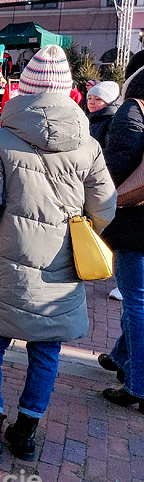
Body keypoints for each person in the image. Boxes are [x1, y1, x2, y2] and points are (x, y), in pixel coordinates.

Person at [0, 45, 116, 460]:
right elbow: (105, 205)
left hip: (6, 259)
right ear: (68, 91)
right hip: (62, 265)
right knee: (47, 348)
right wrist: (82, 232)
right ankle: (26, 430)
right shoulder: (87, 143)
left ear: (25, 89)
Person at [99, 49, 144, 411]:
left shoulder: (131, 113)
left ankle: (138, 385)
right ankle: (120, 356)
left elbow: (113, 171)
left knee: (137, 302)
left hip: (136, 224)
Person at [87, 80, 121, 147]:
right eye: (89, 98)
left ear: (109, 102)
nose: (91, 102)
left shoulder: (112, 121)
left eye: (98, 99)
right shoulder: (92, 118)